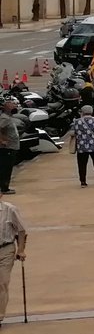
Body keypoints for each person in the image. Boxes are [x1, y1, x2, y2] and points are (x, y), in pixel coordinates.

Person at [0, 192, 25, 320]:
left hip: (6, 249)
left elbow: (21, 230)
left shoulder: (10, 210)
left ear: (0, 195)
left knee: (2, 283)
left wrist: (20, 250)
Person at [70, 107, 94, 186]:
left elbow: (72, 133)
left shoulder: (76, 122)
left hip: (81, 147)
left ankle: (83, 181)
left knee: (82, 164)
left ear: (82, 112)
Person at [0, 98, 20, 195]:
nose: (15, 107)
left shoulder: (8, 117)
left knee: (7, 168)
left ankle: (4, 187)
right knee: (5, 169)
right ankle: (4, 188)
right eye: (12, 106)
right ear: (7, 108)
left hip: (11, 147)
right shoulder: (5, 118)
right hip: (7, 148)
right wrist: (2, 140)